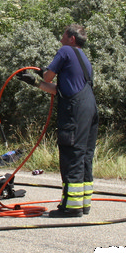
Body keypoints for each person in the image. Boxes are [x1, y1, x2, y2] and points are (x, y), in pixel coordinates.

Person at [19, 23, 99, 217]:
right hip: (90, 109)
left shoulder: (66, 51)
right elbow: (60, 90)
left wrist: (42, 74)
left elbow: (49, 76)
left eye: (63, 35)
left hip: (74, 111)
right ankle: (83, 204)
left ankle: (71, 208)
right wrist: (35, 82)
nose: (61, 38)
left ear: (72, 38)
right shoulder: (84, 59)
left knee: (72, 155)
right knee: (84, 156)